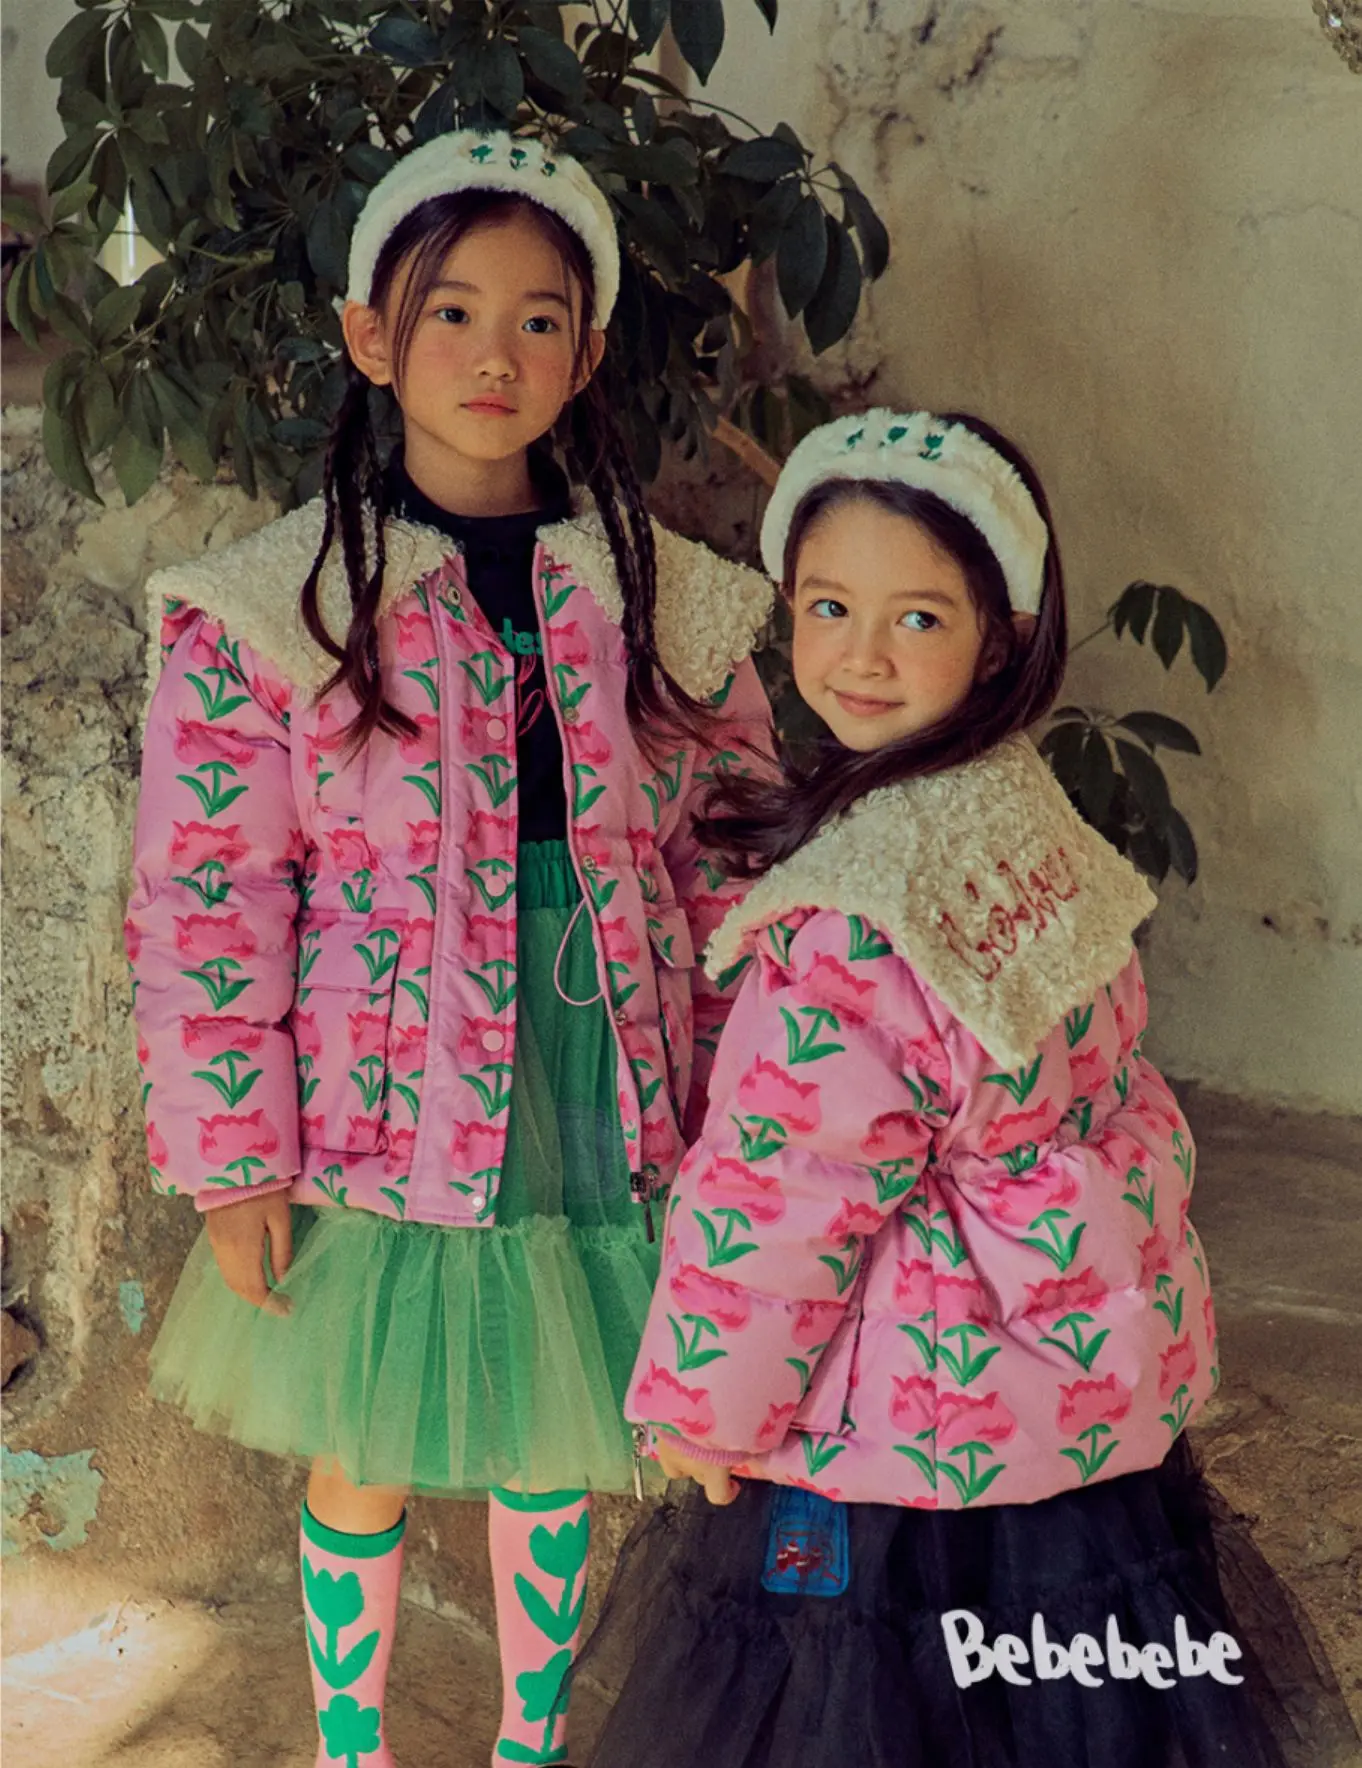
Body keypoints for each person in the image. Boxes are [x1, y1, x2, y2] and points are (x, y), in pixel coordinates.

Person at [125, 128, 774, 1768]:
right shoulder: (278, 608)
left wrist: (738, 1116)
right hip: (378, 1093)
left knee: (553, 1424)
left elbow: (729, 864)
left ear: (587, 352)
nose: (496, 355)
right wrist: (234, 1155)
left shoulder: (665, 602)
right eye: (451, 312)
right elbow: (209, 894)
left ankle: (525, 1745)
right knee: (364, 1431)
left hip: (601, 1072)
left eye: (538, 318)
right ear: (371, 337)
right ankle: (353, 1748)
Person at [580, 408, 1358, 1768]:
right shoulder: (1025, 820)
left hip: (897, 1448)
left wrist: (702, 1407)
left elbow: (787, 1194)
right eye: (828, 606)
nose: (862, 655)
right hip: (1068, 1439)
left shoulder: (859, 908)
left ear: (1000, 637)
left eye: (919, 618)